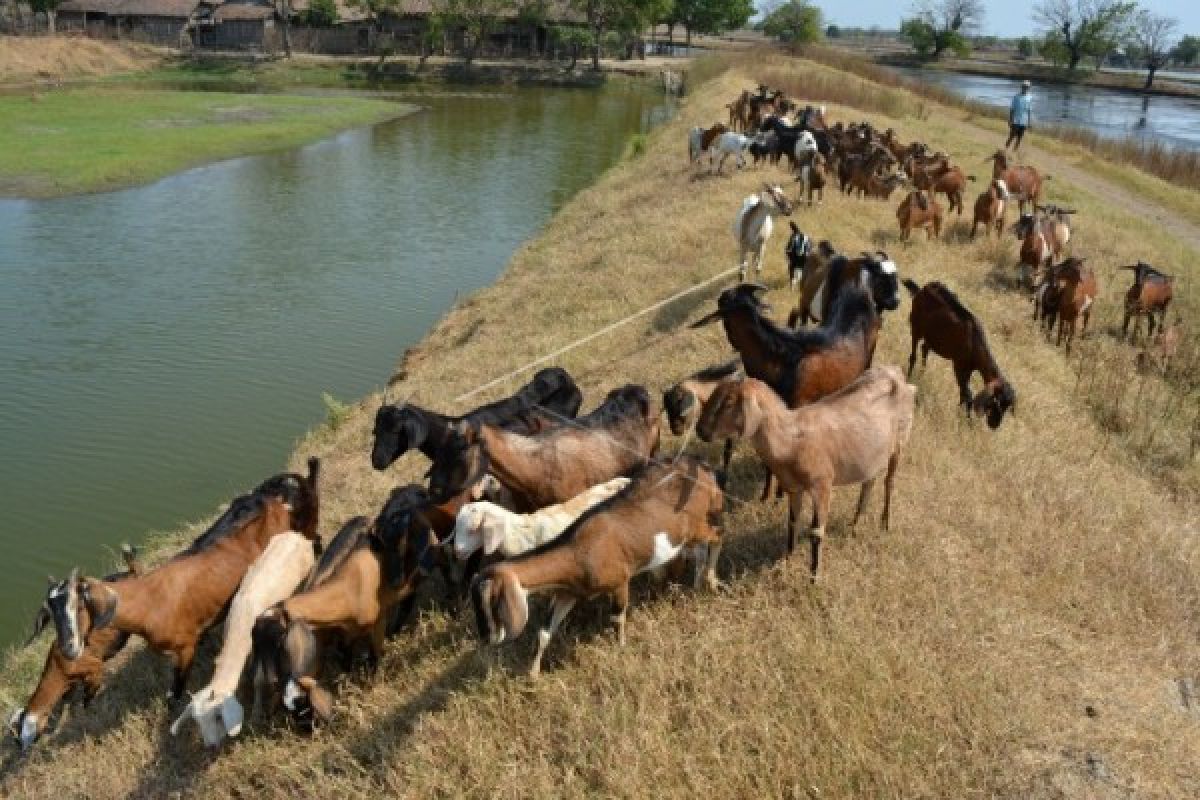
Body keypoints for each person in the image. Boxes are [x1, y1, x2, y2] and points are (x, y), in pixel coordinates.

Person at [1007, 80, 1033, 152]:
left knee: (1019, 138)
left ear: (1029, 88)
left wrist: (1029, 122)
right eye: (1024, 86)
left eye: (1027, 87)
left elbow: (1029, 110)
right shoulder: (1016, 97)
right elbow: (1012, 109)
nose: (1025, 88)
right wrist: (1010, 120)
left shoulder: (1030, 98)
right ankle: (1005, 150)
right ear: (1021, 87)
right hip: (1015, 120)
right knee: (1011, 136)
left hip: (1024, 121)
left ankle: (1014, 152)